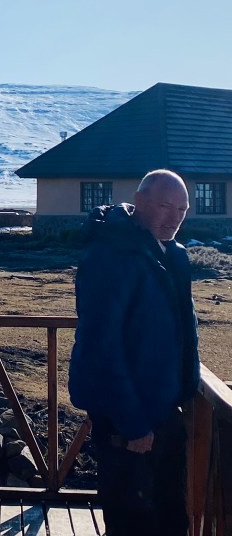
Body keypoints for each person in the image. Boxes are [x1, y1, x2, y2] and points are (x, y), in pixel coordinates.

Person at [69, 169, 200, 535]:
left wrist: (187, 390)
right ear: (140, 202)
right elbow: (101, 345)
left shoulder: (172, 255)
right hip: (128, 422)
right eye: (164, 206)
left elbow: (179, 331)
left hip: (165, 411)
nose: (174, 217)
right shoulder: (110, 255)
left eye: (182, 209)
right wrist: (132, 423)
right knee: (133, 520)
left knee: (171, 514)